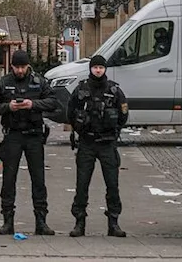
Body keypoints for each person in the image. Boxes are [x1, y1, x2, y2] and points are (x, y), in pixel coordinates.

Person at [0, 49, 56, 236]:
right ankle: (7, 221)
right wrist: (8, 107)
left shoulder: (38, 82)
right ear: (12, 67)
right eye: (17, 67)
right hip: (13, 135)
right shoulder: (4, 83)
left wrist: (33, 104)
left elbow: (53, 102)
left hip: (34, 135)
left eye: (23, 67)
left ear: (28, 66)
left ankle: (41, 221)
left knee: (38, 179)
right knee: (9, 179)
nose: (20, 71)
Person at [67, 53, 129, 238]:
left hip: (107, 143)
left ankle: (114, 222)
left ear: (105, 69)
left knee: (112, 184)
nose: (98, 70)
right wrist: (80, 128)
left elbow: (123, 114)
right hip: (87, 142)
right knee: (82, 184)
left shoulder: (115, 91)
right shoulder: (81, 90)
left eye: (101, 67)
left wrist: (114, 130)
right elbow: (70, 112)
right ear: (90, 69)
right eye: (95, 67)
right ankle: (79, 222)